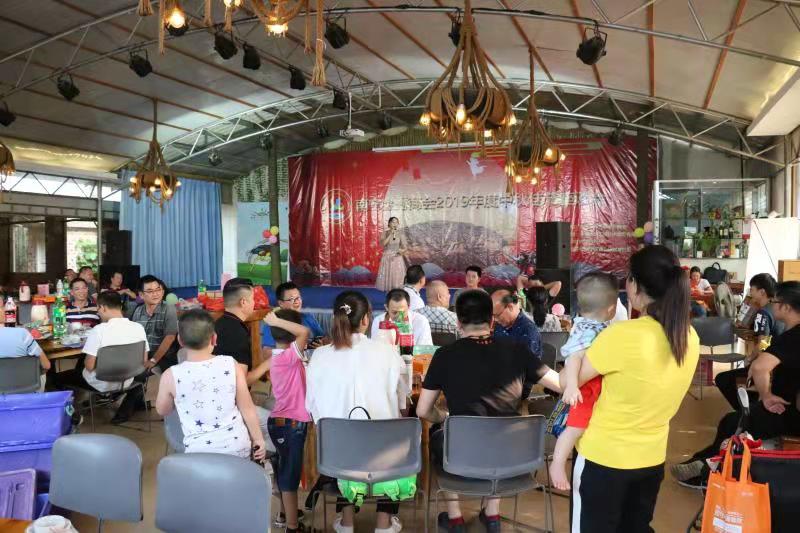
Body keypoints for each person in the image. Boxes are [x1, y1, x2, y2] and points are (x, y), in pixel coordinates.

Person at [569, 245, 698, 532]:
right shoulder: (689, 336)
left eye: (628, 278)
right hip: (651, 460)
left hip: (604, 459)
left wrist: (573, 350)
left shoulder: (622, 335)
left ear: (637, 286)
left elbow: (569, 381)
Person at [416, 290, 561, 533]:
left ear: (458, 322)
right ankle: (492, 514)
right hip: (513, 454)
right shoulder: (518, 350)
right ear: (492, 321)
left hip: (462, 453)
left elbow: (423, 410)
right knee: (500, 432)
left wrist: (443, 418)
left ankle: (455, 517)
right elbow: (560, 384)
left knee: (442, 435)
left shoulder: (444, 355)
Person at [674, 281, 800, 488]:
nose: (772, 305)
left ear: (786, 307)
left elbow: (759, 367)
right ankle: (705, 462)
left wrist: (766, 396)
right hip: (789, 404)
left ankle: (709, 473)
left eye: (776, 302)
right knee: (734, 418)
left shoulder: (794, 336)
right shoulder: (791, 334)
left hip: (787, 411)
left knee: (732, 423)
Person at [306, 291, 409, 533]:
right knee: (392, 435)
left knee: (346, 439)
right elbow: (403, 404)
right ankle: (384, 524)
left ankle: (347, 522)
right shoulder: (388, 353)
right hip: (383, 455)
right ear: (365, 320)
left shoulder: (319, 356)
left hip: (336, 456)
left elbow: (312, 408)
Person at [155, 309, 267, 460]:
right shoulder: (231, 364)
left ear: (180, 341)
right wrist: (258, 439)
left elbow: (163, 410)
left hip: (199, 453)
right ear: (214, 338)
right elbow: (247, 407)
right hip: (237, 449)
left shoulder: (170, 375)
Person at [547, 273, 619, 491]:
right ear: (611, 309)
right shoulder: (589, 330)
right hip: (584, 389)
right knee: (575, 428)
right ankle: (557, 463)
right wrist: (571, 386)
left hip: (591, 384)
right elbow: (574, 358)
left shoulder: (587, 324)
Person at [263, 309, 311, 533]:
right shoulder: (287, 356)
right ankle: (292, 527)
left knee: (285, 472)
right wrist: (276, 320)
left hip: (284, 423)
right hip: (290, 424)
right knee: (290, 477)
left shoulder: (282, 357)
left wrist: (276, 322)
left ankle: (285, 515)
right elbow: (304, 332)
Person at [113, 275, 178, 424]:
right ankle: (136, 401)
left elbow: (170, 338)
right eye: (150, 291)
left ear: (162, 291)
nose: (155, 294)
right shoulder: (137, 311)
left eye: (158, 289)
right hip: (143, 352)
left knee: (139, 372)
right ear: (141, 295)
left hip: (165, 354)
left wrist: (153, 360)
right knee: (120, 364)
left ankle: (125, 410)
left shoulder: (168, 309)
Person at [52, 292, 148, 393]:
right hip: (127, 380)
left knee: (56, 378)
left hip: (100, 383)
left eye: (98, 309)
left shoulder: (99, 330)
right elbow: (144, 359)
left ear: (102, 308)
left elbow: (89, 366)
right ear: (120, 306)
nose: (98, 313)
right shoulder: (138, 328)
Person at [714, 273, 782, 410]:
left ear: (762, 292)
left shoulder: (763, 313)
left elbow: (764, 343)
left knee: (722, 379)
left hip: (769, 366)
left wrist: (750, 358)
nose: (750, 293)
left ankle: (745, 411)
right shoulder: (777, 309)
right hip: (779, 364)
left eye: (752, 289)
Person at [260, 282, 326, 350]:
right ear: (281, 303)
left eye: (298, 298)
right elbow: (267, 353)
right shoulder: (272, 324)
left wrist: (321, 346)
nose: (297, 302)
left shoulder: (308, 317)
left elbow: (324, 338)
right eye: (291, 299)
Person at [491, 288, 543, 357]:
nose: (495, 319)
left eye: (497, 315)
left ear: (510, 307)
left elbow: (524, 362)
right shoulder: (500, 325)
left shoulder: (528, 330)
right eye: (493, 316)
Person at [0, 323, 50, 391]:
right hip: (29, 391)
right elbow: (46, 365)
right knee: (41, 369)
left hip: (2, 394)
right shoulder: (22, 333)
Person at [375, 217, 408, 292]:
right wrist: (391, 234)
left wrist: (401, 251)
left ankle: (397, 290)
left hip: (397, 257)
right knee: (388, 275)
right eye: (393, 222)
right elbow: (383, 244)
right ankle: (389, 291)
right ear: (389, 223)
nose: (395, 224)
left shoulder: (400, 234)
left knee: (396, 275)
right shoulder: (385, 233)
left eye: (396, 222)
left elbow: (405, 247)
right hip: (387, 257)